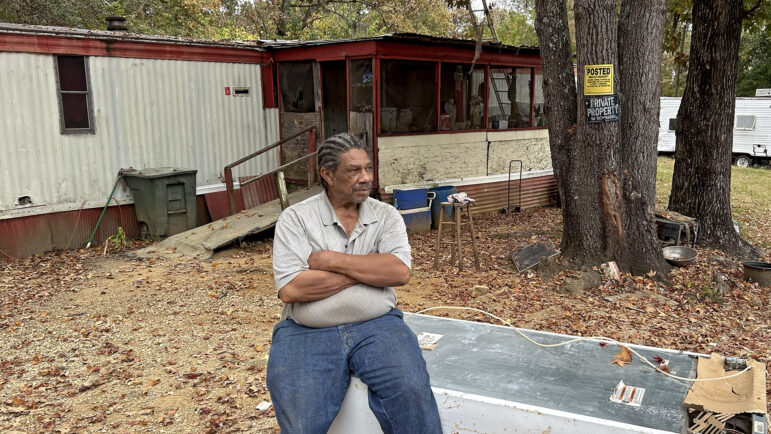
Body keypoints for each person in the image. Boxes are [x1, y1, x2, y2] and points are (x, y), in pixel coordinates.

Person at [267, 133, 442, 433]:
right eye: (354, 170)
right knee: (301, 422)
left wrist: (329, 261)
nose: (366, 178)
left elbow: (399, 272)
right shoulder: (296, 218)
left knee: (412, 393)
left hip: (377, 326)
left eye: (368, 169)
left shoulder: (386, 215)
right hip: (306, 332)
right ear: (328, 174)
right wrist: (368, 267)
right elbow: (292, 289)